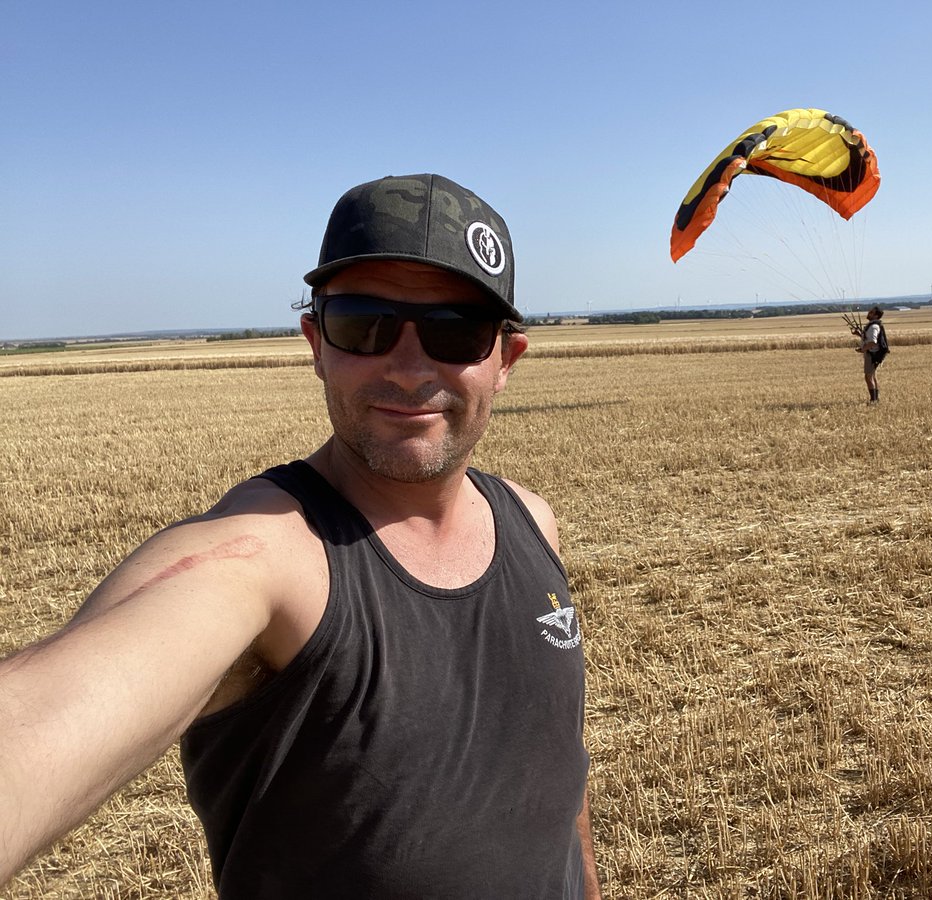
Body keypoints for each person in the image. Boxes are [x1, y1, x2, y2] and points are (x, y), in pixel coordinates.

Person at [0, 174, 602, 899]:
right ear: (317, 344)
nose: (409, 369)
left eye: (456, 330)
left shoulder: (533, 522)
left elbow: (559, 782)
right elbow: (46, 717)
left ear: (505, 360)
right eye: (364, 323)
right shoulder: (264, 556)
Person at [854, 305, 886, 404]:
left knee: (868, 377)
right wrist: (859, 334)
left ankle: (873, 400)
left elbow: (872, 342)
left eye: (871, 312)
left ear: (876, 316)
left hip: (872, 355)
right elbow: (868, 339)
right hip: (873, 354)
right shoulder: (873, 325)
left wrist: (863, 349)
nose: (869, 313)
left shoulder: (873, 327)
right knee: (872, 376)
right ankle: (876, 399)